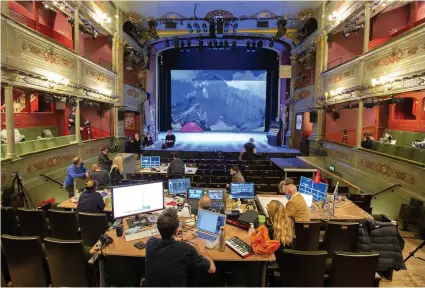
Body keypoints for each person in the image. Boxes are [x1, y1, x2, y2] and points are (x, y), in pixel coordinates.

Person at [145, 208, 216, 287]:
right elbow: (212, 269)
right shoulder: (186, 249)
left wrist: (181, 238)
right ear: (177, 230)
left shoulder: (150, 243)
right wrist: (203, 251)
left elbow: (166, 241)